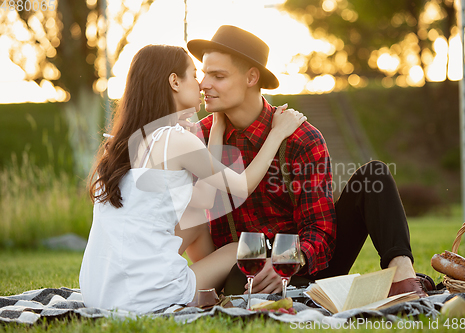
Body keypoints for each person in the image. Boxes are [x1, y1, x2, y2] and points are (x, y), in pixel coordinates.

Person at [187, 25, 428, 297]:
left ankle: (403, 277)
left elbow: (321, 230)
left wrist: (284, 264)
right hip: (243, 266)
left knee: (374, 176)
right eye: (204, 73)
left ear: (251, 77)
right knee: (238, 280)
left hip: (307, 264)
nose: (204, 84)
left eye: (217, 76)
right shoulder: (203, 136)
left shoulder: (301, 138)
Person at [79, 44, 306, 314]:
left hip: (99, 291)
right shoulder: (175, 139)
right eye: (193, 74)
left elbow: (204, 199)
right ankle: (212, 290)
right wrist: (277, 134)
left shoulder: (121, 144)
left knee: (195, 220)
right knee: (237, 246)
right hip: (143, 297)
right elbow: (241, 186)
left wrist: (217, 129)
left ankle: (204, 283)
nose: (201, 84)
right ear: (174, 81)